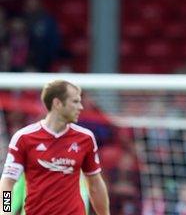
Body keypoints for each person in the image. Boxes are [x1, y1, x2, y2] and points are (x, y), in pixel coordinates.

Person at [0, 80, 109, 215]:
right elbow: (7, 183)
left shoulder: (85, 138)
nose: (80, 107)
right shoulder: (24, 138)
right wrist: (5, 211)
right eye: (75, 102)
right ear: (57, 103)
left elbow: (95, 185)